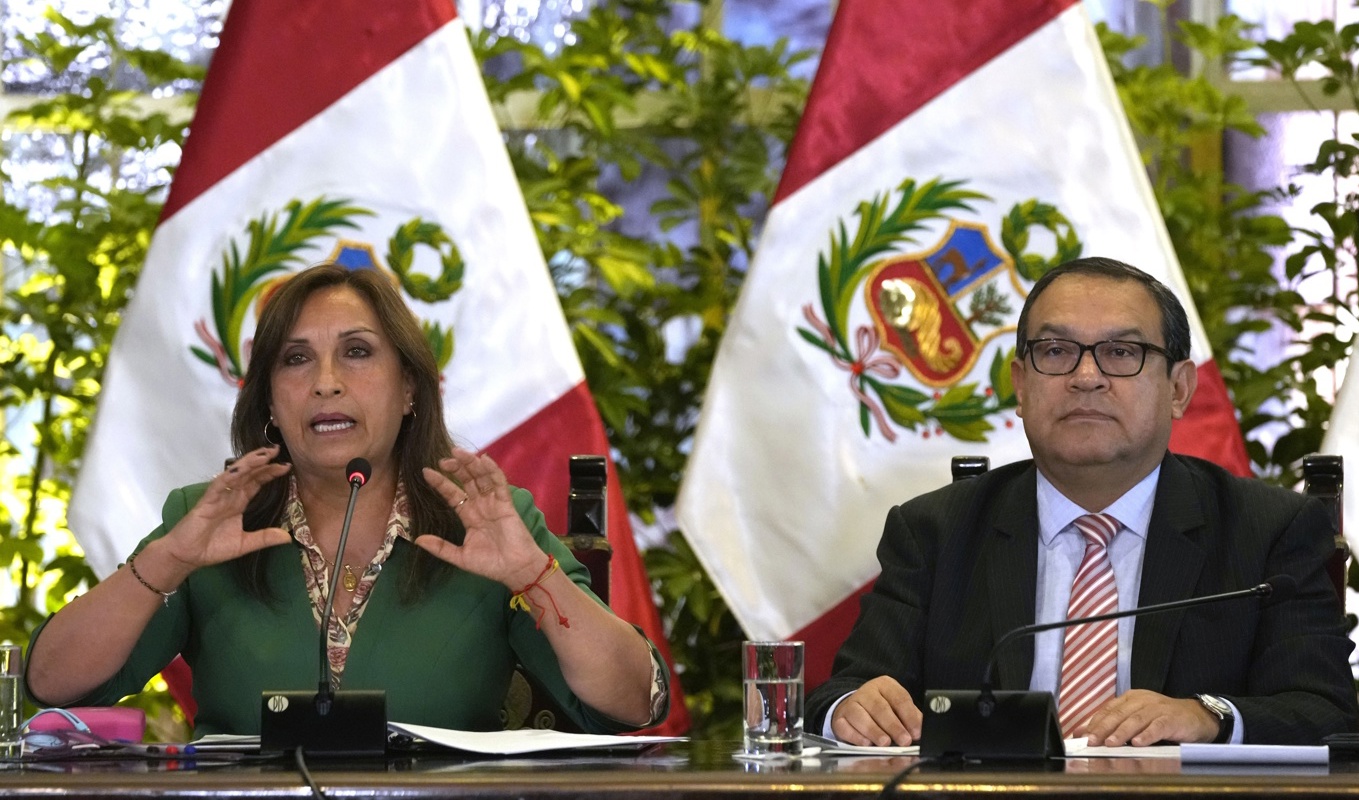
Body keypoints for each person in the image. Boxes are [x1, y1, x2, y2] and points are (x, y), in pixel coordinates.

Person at [25, 263, 668, 736]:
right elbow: (52, 683)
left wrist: (532, 573)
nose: (326, 384)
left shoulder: (486, 523)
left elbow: (633, 702)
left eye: (357, 353)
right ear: (270, 401)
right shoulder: (210, 520)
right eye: (296, 360)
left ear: (411, 388)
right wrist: (166, 562)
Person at [807, 257, 1358, 747]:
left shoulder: (1267, 532)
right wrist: (850, 710)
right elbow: (841, 694)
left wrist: (1207, 716)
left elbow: (1327, 711)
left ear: (1179, 389)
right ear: (1021, 387)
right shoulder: (935, 531)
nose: (1086, 376)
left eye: (1122, 352)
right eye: (1056, 351)